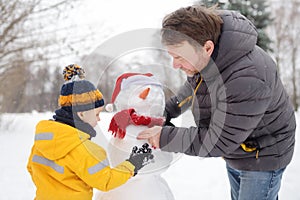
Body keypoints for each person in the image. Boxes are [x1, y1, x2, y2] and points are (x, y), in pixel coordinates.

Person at [137, 5, 296, 200]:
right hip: (240, 148)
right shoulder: (206, 59)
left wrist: (164, 137)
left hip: (262, 155)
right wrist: (167, 112)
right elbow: (193, 90)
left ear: (207, 47)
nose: (175, 65)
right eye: (172, 56)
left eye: (179, 57)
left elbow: (219, 139)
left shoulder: (247, 77)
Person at [27, 64, 154, 200]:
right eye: (97, 113)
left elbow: (31, 168)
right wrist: (132, 164)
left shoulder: (43, 141)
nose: (99, 119)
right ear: (81, 114)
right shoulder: (83, 149)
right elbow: (105, 180)